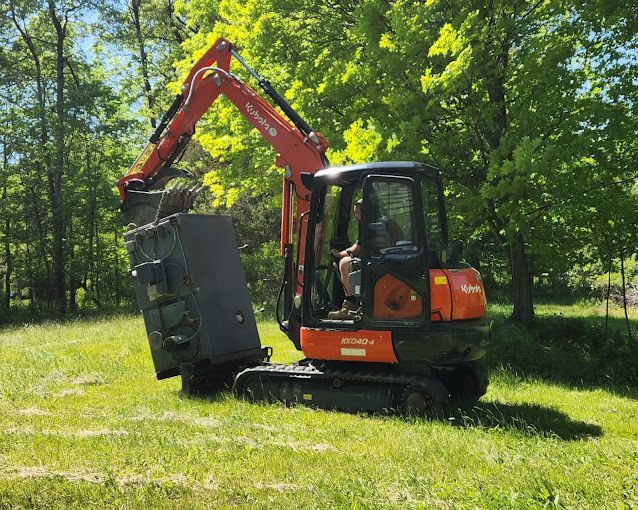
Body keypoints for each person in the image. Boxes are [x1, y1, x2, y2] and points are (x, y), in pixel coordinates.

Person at [328, 199, 362, 319]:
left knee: (344, 263)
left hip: (374, 262)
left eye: (357, 213)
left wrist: (338, 255)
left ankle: (350, 304)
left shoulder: (368, 225)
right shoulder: (378, 223)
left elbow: (356, 249)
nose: (355, 216)